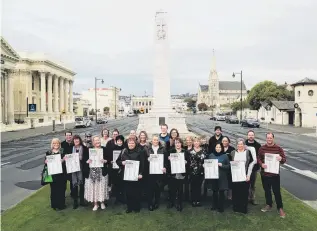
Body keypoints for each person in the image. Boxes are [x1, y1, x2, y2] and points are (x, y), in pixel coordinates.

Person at [258, 132, 286, 218]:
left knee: (277, 192)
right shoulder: (262, 148)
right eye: (268, 138)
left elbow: (284, 159)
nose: (269, 139)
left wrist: (281, 158)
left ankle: (280, 208)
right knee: (267, 191)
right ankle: (269, 204)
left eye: (271, 138)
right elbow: (258, 158)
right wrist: (261, 164)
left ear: (273, 138)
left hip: (274, 175)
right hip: (265, 174)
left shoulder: (278, 148)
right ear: (266, 138)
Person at [116, 138, 145, 213]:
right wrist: (122, 163)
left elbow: (143, 164)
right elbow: (117, 161)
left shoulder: (140, 151)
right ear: (127, 144)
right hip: (126, 175)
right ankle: (129, 207)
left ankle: (136, 207)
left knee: (136, 192)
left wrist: (141, 173)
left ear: (135, 144)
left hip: (136, 175)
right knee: (128, 192)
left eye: (132, 143)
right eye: (129, 143)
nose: (131, 145)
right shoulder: (124, 151)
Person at [83, 136, 110, 211]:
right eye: (96, 140)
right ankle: (95, 204)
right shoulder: (89, 150)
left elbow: (109, 158)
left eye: (98, 140)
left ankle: (102, 202)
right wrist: (87, 161)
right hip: (92, 171)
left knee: (101, 186)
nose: (97, 142)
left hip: (102, 171)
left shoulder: (104, 149)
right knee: (94, 187)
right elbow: (85, 160)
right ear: (93, 142)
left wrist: (105, 161)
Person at [230, 138, 256, 214]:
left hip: (245, 176)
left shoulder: (248, 153)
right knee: (236, 192)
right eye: (238, 144)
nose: (240, 145)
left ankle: (243, 208)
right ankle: (236, 208)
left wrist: (248, 175)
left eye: (241, 144)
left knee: (244, 192)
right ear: (236, 145)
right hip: (235, 176)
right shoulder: (233, 153)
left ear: (244, 145)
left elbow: (251, 164)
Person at [206, 143, 230, 212]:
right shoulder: (211, 155)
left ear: (222, 148)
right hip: (213, 176)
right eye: (217, 147)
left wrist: (222, 165)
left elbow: (228, 166)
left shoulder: (225, 156)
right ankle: (214, 205)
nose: (218, 148)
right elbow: (208, 163)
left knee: (221, 192)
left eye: (219, 147)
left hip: (222, 177)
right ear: (215, 148)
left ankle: (221, 206)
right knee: (214, 192)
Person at [167, 138, 188, 212]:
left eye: (179, 143)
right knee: (172, 189)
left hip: (181, 173)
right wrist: (168, 159)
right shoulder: (171, 151)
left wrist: (186, 162)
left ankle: (179, 203)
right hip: (173, 173)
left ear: (181, 143)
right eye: (176, 143)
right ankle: (171, 202)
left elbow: (188, 162)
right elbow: (167, 164)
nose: (177, 144)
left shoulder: (185, 152)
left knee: (180, 190)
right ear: (174, 144)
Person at [147, 135, 168, 211]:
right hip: (150, 172)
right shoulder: (147, 149)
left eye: (157, 140)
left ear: (158, 141)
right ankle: (150, 204)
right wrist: (147, 159)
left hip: (159, 172)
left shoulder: (163, 149)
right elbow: (144, 161)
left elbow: (165, 161)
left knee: (158, 188)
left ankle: (156, 202)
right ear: (151, 141)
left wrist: (165, 167)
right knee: (150, 189)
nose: (155, 141)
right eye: (154, 140)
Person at [45, 138, 67, 210]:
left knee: (62, 189)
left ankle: (61, 205)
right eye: (54, 143)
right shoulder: (49, 152)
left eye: (57, 143)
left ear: (59, 144)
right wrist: (46, 162)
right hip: (53, 174)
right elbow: (46, 162)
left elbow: (66, 160)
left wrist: (63, 160)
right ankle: (54, 205)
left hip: (61, 174)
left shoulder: (62, 151)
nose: (56, 145)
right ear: (52, 144)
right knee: (54, 190)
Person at [68, 135, 89, 209]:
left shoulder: (85, 148)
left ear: (80, 140)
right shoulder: (70, 148)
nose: (76, 141)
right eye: (75, 140)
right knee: (74, 186)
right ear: (73, 141)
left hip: (82, 170)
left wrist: (81, 159)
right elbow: (67, 158)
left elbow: (87, 159)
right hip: (73, 171)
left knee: (82, 186)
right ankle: (75, 201)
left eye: (77, 140)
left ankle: (82, 201)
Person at [245, 130, 262, 205]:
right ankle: (246, 197)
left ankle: (252, 198)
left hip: (254, 168)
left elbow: (260, 156)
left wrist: (258, 165)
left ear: (254, 136)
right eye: (249, 135)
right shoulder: (244, 144)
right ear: (247, 136)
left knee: (252, 184)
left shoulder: (258, 145)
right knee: (246, 183)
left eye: (252, 135)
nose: (251, 136)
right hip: (245, 168)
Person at [188, 137, 205, 207]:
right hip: (192, 172)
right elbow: (188, 161)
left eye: (198, 141)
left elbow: (206, 160)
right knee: (193, 186)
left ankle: (198, 200)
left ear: (200, 143)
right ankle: (193, 200)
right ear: (193, 143)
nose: (196, 142)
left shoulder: (204, 150)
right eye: (195, 141)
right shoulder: (189, 151)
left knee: (199, 186)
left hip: (201, 171)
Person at [111, 135, 126, 204]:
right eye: (118, 141)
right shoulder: (113, 148)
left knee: (123, 184)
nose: (119, 142)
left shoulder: (125, 149)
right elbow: (110, 158)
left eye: (121, 141)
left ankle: (123, 198)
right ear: (116, 141)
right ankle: (117, 198)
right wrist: (110, 161)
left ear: (123, 141)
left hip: (123, 169)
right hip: (115, 169)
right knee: (116, 184)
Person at [61, 131, 74, 198]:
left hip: (72, 165)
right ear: (65, 136)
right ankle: (63, 194)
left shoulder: (74, 144)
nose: (68, 137)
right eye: (67, 135)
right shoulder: (62, 144)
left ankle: (73, 193)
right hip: (64, 165)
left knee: (72, 180)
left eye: (70, 135)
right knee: (64, 180)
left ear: (71, 136)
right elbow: (60, 154)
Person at [222, 136, 235, 200]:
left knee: (230, 182)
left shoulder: (232, 149)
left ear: (229, 142)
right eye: (223, 141)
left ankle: (229, 195)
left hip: (230, 169)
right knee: (222, 182)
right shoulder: (219, 148)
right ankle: (222, 195)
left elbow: (234, 159)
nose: (224, 142)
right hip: (221, 168)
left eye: (226, 141)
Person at [184, 136, 194, 201]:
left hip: (192, 168)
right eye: (187, 140)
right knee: (186, 183)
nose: (188, 141)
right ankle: (186, 197)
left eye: (190, 140)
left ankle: (192, 197)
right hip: (184, 168)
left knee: (192, 183)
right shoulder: (184, 148)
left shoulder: (194, 149)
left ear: (192, 141)